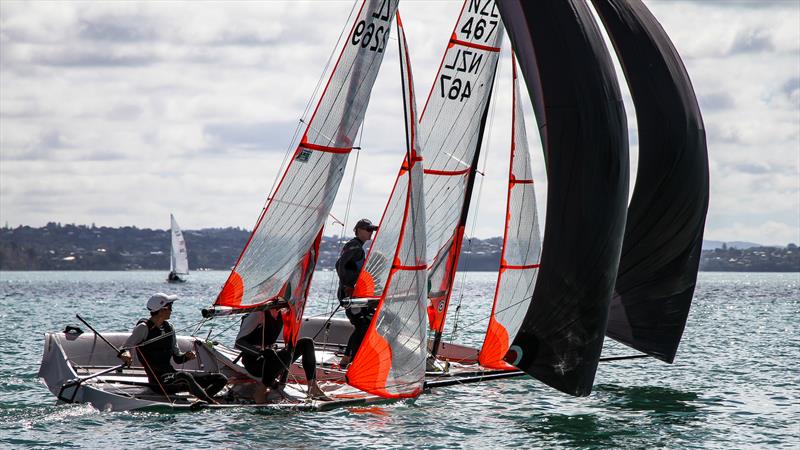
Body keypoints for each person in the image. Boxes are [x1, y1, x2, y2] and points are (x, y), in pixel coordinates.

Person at [118, 293, 227, 405]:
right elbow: (125, 347)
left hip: (173, 378)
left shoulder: (169, 328)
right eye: (170, 307)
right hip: (159, 383)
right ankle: (209, 402)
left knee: (221, 379)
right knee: (184, 376)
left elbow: (178, 359)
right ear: (162, 309)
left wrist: (186, 356)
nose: (171, 311)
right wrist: (125, 354)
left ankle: (200, 400)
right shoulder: (144, 328)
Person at [235, 308, 329, 400]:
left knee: (306, 343)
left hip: (270, 360)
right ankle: (260, 392)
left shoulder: (282, 313)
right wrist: (259, 353)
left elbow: (289, 347)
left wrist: (283, 381)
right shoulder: (258, 314)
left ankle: (313, 388)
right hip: (254, 363)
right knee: (284, 355)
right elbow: (238, 343)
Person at [335, 218, 378, 369]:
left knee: (366, 323)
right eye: (368, 229)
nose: (371, 233)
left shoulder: (356, 246)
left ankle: (352, 358)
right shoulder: (355, 247)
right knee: (362, 326)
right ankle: (347, 360)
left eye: (372, 230)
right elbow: (340, 265)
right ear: (358, 230)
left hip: (355, 295)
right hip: (350, 296)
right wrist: (347, 286)